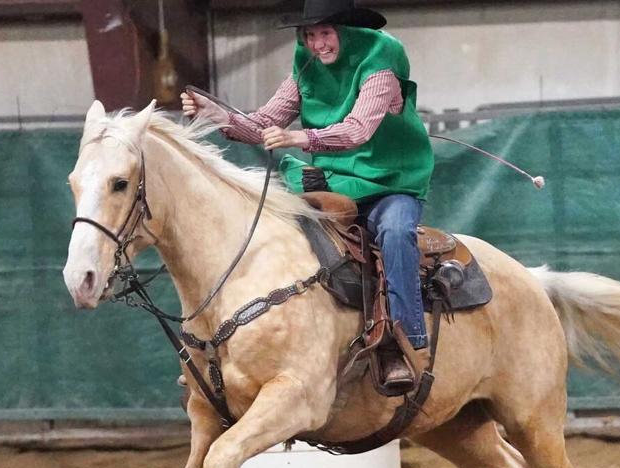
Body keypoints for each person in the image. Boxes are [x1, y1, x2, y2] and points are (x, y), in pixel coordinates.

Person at [181, 0, 434, 394]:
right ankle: (241, 344)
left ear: (347, 32)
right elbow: (265, 122)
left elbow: (357, 130)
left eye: (326, 33)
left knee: (397, 231)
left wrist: (301, 138)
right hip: (331, 180)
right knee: (273, 233)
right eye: (310, 35)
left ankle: (403, 342)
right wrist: (216, 114)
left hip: (391, 181)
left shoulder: (382, 60)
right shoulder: (304, 65)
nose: (318, 44)